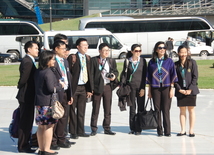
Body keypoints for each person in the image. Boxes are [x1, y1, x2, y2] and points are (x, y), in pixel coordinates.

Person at [34, 50, 64, 155]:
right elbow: (52, 88)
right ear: (47, 60)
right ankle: (47, 149)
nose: (54, 61)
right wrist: (60, 85)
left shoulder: (38, 71)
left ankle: (41, 148)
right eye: (52, 59)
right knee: (49, 126)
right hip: (48, 103)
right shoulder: (49, 72)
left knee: (41, 126)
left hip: (39, 102)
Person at [146, 41, 178, 137]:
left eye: (164, 47)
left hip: (166, 88)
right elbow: (149, 77)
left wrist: (172, 88)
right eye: (160, 48)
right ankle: (159, 130)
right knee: (157, 109)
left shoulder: (169, 61)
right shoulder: (151, 62)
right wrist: (149, 91)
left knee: (166, 109)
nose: (162, 49)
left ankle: (167, 131)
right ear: (156, 49)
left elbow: (173, 75)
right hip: (155, 88)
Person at [90, 43, 119, 136]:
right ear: (99, 51)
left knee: (107, 108)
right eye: (104, 50)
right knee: (95, 109)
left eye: (108, 50)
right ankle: (94, 128)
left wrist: (114, 76)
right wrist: (91, 88)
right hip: (97, 87)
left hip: (107, 87)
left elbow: (115, 71)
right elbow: (91, 75)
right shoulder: (94, 60)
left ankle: (107, 127)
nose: (106, 52)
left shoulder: (111, 60)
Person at [67, 38, 93, 139]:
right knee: (72, 110)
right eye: (83, 45)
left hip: (84, 87)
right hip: (74, 87)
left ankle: (80, 130)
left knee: (81, 110)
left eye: (87, 45)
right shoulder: (72, 57)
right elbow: (69, 74)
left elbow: (89, 74)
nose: (86, 47)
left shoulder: (88, 58)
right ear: (78, 47)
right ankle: (73, 132)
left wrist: (89, 89)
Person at [16, 41, 39, 153]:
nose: (37, 50)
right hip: (26, 96)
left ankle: (26, 142)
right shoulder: (28, 62)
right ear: (29, 49)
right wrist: (19, 86)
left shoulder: (30, 60)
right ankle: (23, 146)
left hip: (29, 95)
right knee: (25, 122)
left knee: (28, 121)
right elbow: (24, 79)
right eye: (35, 48)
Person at [120, 44, 147, 135]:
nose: (138, 53)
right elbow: (124, 75)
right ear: (132, 51)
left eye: (139, 51)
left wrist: (143, 88)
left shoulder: (143, 61)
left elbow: (144, 76)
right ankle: (132, 127)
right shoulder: (128, 61)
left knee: (140, 108)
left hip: (140, 88)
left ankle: (139, 128)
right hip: (130, 88)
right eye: (136, 51)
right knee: (132, 108)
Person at [51, 40, 73, 150]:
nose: (65, 50)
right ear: (56, 49)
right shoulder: (51, 60)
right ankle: (53, 140)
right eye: (63, 48)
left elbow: (68, 77)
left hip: (65, 91)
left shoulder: (64, 60)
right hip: (56, 93)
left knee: (64, 117)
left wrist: (70, 94)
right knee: (55, 116)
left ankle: (61, 138)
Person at [174, 45, 199, 137]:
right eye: (181, 52)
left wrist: (190, 89)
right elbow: (174, 79)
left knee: (191, 109)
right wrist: (179, 89)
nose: (183, 54)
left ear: (187, 52)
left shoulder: (192, 63)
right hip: (181, 91)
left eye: (185, 52)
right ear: (178, 53)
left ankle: (191, 130)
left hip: (191, 90)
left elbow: (195, 77)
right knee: (182, 110)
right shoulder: (175, 65)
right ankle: (183, 130)